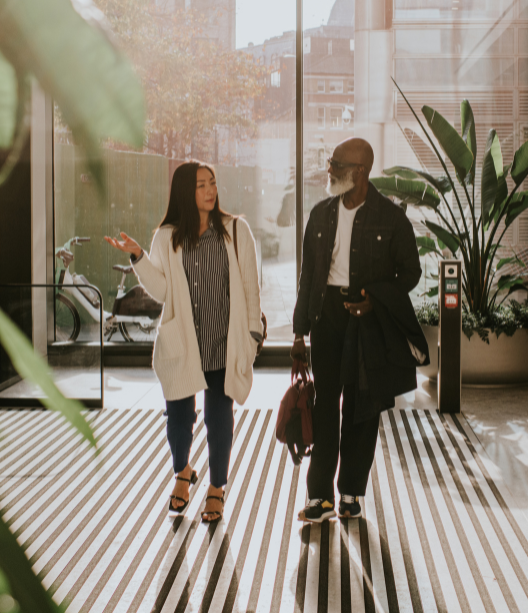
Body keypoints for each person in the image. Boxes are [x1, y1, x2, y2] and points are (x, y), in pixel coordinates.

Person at [105, 161, 262, 522]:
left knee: (218, 416)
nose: (210, 191)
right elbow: (161, 291)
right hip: (182, 342)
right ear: (184, 192)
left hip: (225, 342)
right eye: (201, 185)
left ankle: (216, 488)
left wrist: (252, 335)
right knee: (178, 417)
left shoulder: (236, 231)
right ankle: (183, 471)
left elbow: (252, 289)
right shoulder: (167, 236)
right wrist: (138, 257)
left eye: (213, 183)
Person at [291, 137, 426, 523]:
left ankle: (350, 492)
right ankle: (320, 497)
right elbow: (307, 277)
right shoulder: (320, 215)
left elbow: (411, 273)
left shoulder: (391, 218)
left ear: (360, 172)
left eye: (336, 164)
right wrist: (299, 335)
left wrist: (376, 300)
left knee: (362, 407)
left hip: (368, 319)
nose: (329, 169)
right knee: (324, 405)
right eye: (330, 162)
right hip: (327, 317)